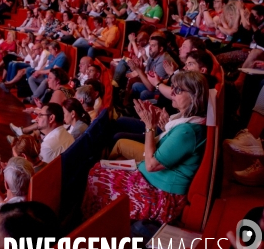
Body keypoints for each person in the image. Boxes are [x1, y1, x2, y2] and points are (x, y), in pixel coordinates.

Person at [82, 72, 208, 224]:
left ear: (194, 96)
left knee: (96, 174)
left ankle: (98, 225)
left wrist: (150, 126)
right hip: (156, 181)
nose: (172, 92)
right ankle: (99, 221)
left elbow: (151, 164)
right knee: (99, 168)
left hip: (162, 196)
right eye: (173, 87)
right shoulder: (187, 122)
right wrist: (162, 127)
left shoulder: (187, 131)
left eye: (179, 90)